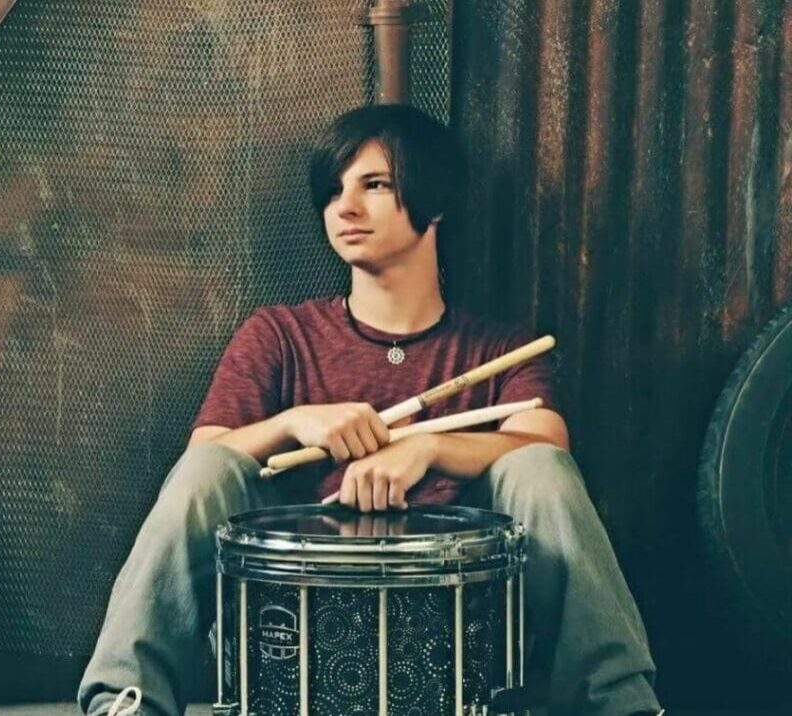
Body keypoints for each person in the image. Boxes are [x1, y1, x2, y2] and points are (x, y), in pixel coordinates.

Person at [78, 104, 663, 716]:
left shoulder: (501, 350)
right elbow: (203, 461)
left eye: (374, 185)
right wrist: (292, 421)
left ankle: (621, 706)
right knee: (207, 469)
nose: (345, 208)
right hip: (295, 629)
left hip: (448, 636)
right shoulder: (280, 334)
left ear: (434, 204)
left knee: (539, 470)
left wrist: (427, 448)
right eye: (334, 191)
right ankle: (126, 702)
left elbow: (545, 446)